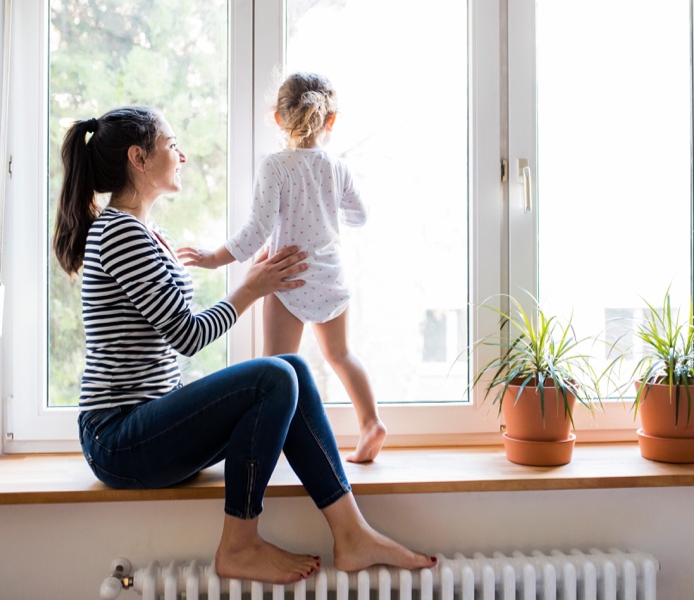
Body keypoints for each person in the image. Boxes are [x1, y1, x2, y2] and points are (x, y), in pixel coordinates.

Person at [52, 105, 435, 584]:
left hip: (147, 424)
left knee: (290, 367)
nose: (183, 155)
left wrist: (251, 281)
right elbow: (187, 335)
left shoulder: (147, 232)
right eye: (172, 145)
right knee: (273, 375)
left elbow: (172, 325)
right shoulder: (121, 233)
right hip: (118, 439)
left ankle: (352, 533)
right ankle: (239, 544)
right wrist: (251, 288)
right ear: (139, 158)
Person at [178, 72, 386, 463]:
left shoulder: (274, 167)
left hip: (286, 277)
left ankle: (275, 446)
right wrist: (327, 209)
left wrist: (213, 258)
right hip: (330, 276)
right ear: (331, 120)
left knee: (276, 370)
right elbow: (360, 215)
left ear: (278, 119)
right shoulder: (336, 167)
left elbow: (256, 231)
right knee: (341, 355)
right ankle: (371, 422)